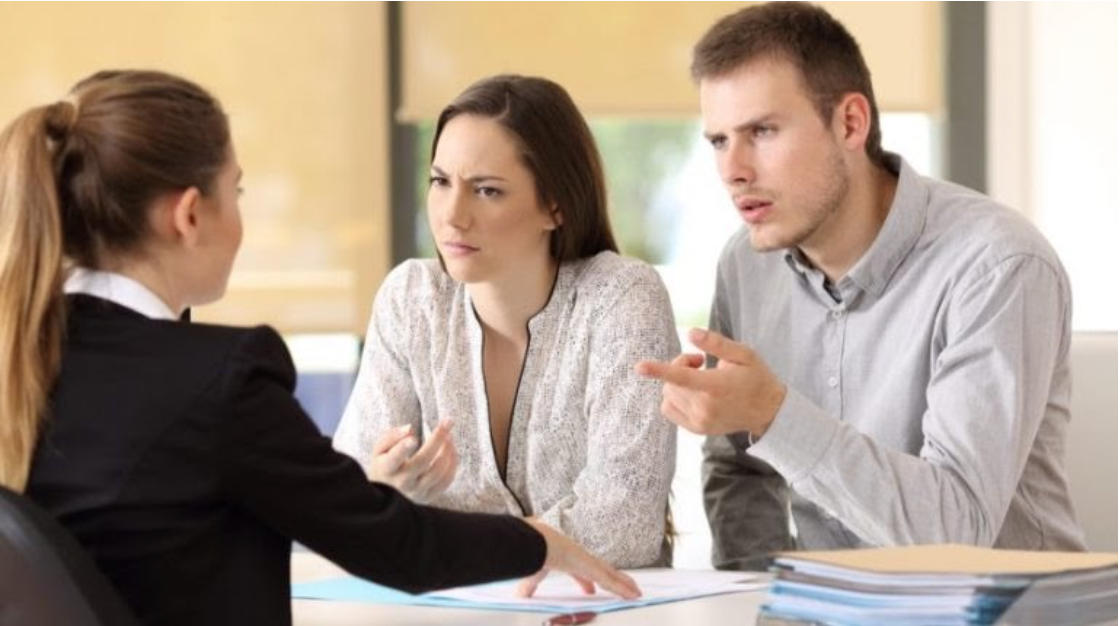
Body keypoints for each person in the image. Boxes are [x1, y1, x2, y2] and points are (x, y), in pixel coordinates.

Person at [0, 69, 639, 626]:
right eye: (238, 191)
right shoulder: (216, 381)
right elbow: (394, 543)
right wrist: (538, 541)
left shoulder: (22, 352)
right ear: (189, 215)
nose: (451, 215)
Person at [636, 2, 1086, 570]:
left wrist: (776, 415)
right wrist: (763, 592)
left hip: (1000, 610)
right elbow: (737, 468)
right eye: (720, 141)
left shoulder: (998, 265)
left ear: (850, 122)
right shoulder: (748, 264)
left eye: (762, 131)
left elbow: (957, 533)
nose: (734, 170)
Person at [333, 74, 679, 568]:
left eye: (487, 191)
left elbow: (623, 527)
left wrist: (421, 537)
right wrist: (383, 490)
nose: (452, 215)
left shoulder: (621, 299)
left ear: (555, 206)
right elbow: (344, 509)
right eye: (440, 182)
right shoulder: (411, 299)